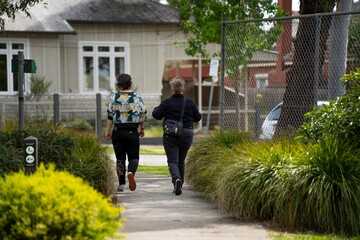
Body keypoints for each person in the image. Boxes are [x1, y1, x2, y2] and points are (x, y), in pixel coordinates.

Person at [152, 76, 202, 196]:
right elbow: (198, 117)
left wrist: (156, 108)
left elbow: (156, 115)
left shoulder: (166, 102)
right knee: (181, 160)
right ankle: (180, 183)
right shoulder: (190, 103)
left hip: (171, 135)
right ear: (183, 88)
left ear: (172, 88)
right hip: (187, 133)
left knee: (172, 161)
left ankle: (176, 180)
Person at [105, 73, 147, 192]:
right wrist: (142, 129)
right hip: (132, 132)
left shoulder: (114, 97)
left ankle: (121, 184)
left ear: (119, 85)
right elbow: (143, 114)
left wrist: (108, 130)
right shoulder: (137, 98)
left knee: (120, 159)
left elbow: (109, 115)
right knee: (134, 157)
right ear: (130, 83)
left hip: (118, 132)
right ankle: (131, 173)